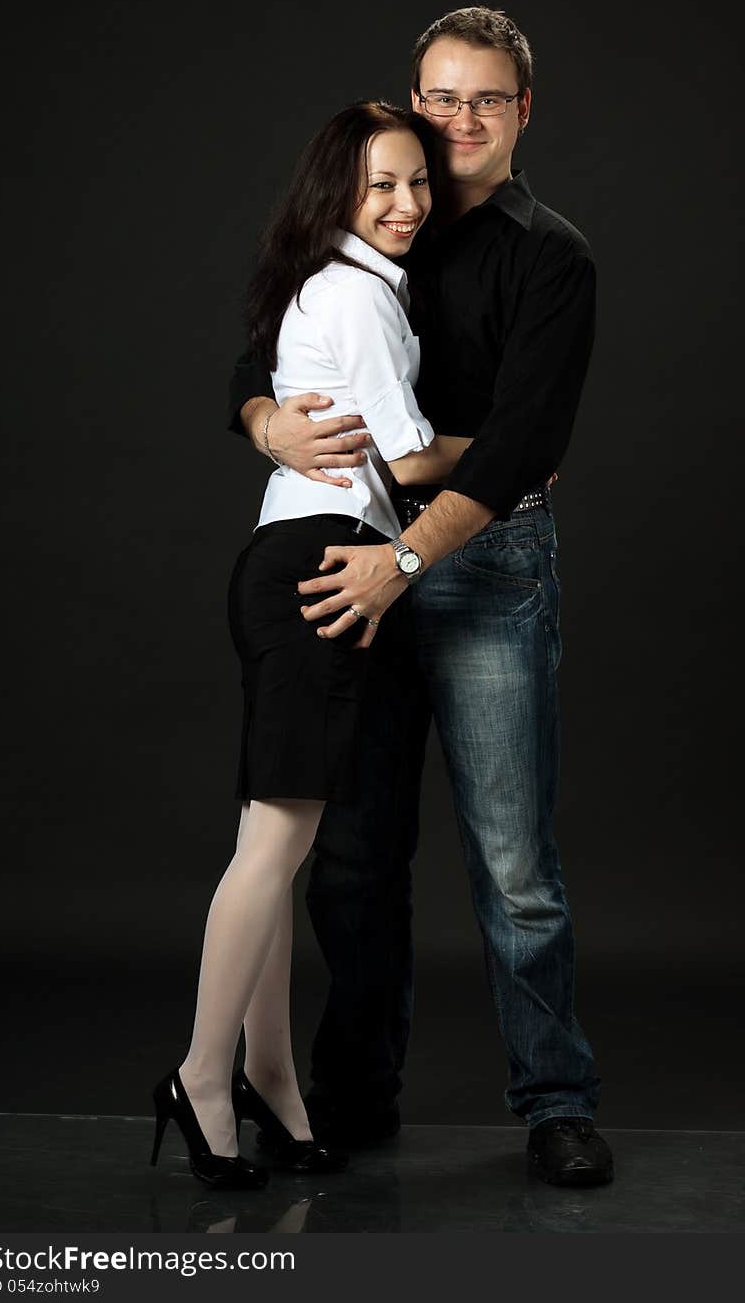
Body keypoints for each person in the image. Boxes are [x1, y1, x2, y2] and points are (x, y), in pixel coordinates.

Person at [229, 7, 614, 1188]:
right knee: (354, 851)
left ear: (521, 111)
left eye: (484, 100)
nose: (458, 122)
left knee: (512, 864)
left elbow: (522, 448)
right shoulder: (370, 209)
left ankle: (554, 1099)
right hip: (355, 559)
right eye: (439, 97)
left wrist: (410, 550)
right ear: (413, 97)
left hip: (482, 569)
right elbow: (263, 355)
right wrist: (267, 421)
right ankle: (355, 1093)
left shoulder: (551, 254)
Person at [151, 101, 472, 1189]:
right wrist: (522, 447)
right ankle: (201, 1078)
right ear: (337, 192)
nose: (405, 203)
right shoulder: (354, 294)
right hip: (317, 568)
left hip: (292, 562)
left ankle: (274, 1085)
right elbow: (417, 460)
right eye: (381, 185)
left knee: (276, 844)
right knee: (273, 850)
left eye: (418, 183)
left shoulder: (334, 287)